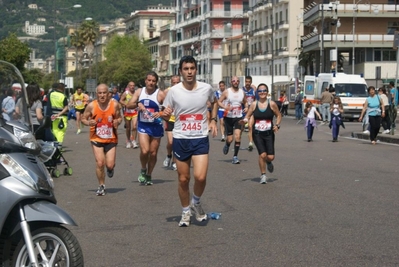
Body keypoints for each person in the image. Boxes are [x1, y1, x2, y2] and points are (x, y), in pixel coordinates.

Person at [162, 55, 218, 227]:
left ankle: (196, 201)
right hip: (181, 139)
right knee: (183, 179)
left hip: (200, 137)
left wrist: (213, 120)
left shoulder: (206, 88)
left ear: (196, 70)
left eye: (192, 68)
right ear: (180, 71)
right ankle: (186, 211)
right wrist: (165, 114)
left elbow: (215, 102)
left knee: (200, 177)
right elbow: (166, 110)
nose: (189, 72)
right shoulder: (174, 91)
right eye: (186, 69)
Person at [81, 84, 122, 196]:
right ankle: (101, 185)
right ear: (97, 94)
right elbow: (83, 119)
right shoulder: (91, 106)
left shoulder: (115, 105)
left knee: (109, 164)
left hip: (111, 139)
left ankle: (110, 169)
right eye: (100, 93)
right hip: (96, 138)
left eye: (104, 93)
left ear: (108, 94)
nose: (102, 95)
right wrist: (89, 122)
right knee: (100, 163)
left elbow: (119, 118)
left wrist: (117, 122)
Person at [126, 72, 166, 185]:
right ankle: (143, 169)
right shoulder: (140, 92)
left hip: (156, 127)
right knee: (145, 151)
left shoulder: (161, 94)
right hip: (143, 125)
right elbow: (128, 105)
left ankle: (149, 175)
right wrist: (137, 104)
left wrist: (161, 113)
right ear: (145, 81)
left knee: (153, 153)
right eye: (149, 80)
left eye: (153, 81)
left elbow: (170, 109)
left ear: (156, 82)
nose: (151, 83)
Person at [242, 83, 281, 184]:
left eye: (264, 91)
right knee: (262, 154)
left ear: (267, 93)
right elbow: (248, 115)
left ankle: (269, 162)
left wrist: (277, 125)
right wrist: (245, 120)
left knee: (270, 157)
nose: (262, 92)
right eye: (260, 91)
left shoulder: (271, 104)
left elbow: (278, 115)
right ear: (257, 93)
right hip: (257, 133)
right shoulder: (254, 104)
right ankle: (263, 175)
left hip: (269, 134)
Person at [218, 76, 248, 164]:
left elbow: (245, 102)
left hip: (238, 117)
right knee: (230, 139)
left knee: (238, 136)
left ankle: (235, 156)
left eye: (237, 81)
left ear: (239, 82)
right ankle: (227, 144)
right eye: (234, 81)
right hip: (228, 117)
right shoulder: (227, 92)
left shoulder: (242, 92)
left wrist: (246, 107)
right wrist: (225, 107)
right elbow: (219, 101)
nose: (236, 82)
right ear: (231, 82)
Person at [163, 75, 181, 170]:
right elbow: (161, 105)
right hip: (170, 119)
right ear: (171, 83)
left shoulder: (184, 91)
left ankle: (175, 161)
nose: (175, 84)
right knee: (170, 142)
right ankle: (169, 155)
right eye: (173, 82)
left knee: (176, 142)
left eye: (177, 82)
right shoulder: (167, 91)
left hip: (179, 120)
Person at [120, 81, 139, 148]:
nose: (132, 87)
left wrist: (137, 104)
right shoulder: (126, 93)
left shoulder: (136, 93)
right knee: (128, 128)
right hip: (127, 112)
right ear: (128, 86)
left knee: (134, 126)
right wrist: (126, 104)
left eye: (133, 85)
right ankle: (128, 140)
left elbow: (140, 100)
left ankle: (133, 141)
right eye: (131, 85)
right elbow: (121, 100)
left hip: (135, 112)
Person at [242, 75, 256, 151]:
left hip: (252, 111)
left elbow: (256, 100)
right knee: (241, 128)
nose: (247, 83)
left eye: (249, 82)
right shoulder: (242, 90)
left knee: (250, 126)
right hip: (243, 111)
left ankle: (251, 143)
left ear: (251, 82)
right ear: (245, 82)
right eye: (246, 82)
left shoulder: (253, 90)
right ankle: (238, 141)